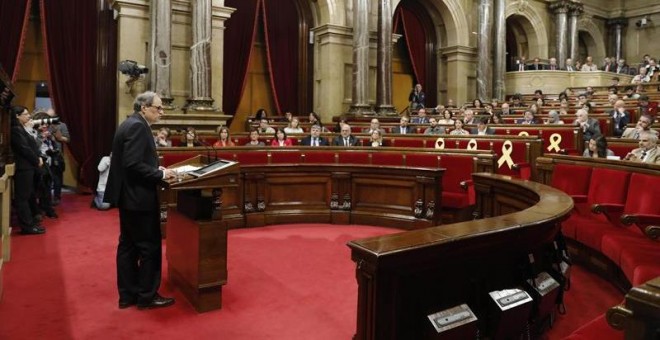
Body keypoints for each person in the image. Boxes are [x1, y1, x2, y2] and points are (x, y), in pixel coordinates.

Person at [103, 91, 177, 310]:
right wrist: (161, 175)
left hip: (129, 197)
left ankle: (127, 295)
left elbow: (133, 161)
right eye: (158, 107)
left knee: (128, 246)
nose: (161, 112)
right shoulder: (138, 126)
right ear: (144, 107)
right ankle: (147, 296)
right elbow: (133, 164)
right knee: (149, 247)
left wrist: (156, 169)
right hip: (138, 198)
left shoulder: (130, 123)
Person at [10, 106, 45, 235]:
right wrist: (36, 160)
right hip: (23, 167)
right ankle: (27, 226)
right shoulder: (15, 130)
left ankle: (30, 223)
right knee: (22, 199)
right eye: (25, 114)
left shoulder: (21, 129)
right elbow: (24, 148)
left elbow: (31, 145)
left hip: (27, 167)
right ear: (17, 116)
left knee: (27, 196)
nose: (29, 116)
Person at [46, 108, 69, 206]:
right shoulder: (42, 124)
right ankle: (45, 198)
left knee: (57, 178)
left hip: (56, 155)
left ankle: (57, 197)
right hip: (44, 155)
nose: (50, 119)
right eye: (48, 117)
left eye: (52, 116)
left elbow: (67, 139)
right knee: (46, 178)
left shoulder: (61, 125)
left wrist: (56, 132)